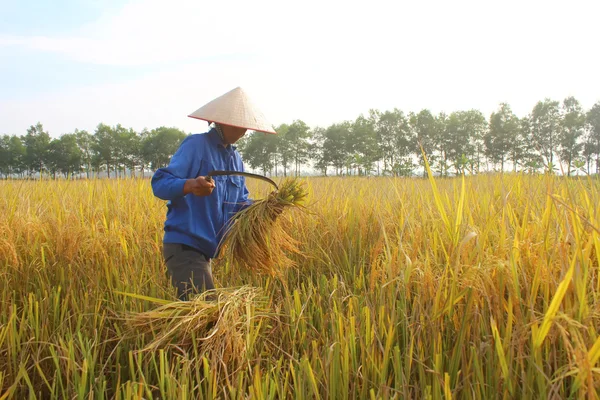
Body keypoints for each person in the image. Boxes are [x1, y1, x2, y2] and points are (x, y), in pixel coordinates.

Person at [151, 87, 277, 300]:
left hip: (205, 252)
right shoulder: (196, 145)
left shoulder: (235, 159)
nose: (244, 132)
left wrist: (267, 208)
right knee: (208, 314)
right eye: (240, 125)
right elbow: (160, 183)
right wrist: (191, 185)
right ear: (224, 121)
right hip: (185, 246)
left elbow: (239, 205)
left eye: (247, 127)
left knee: (199, 318)